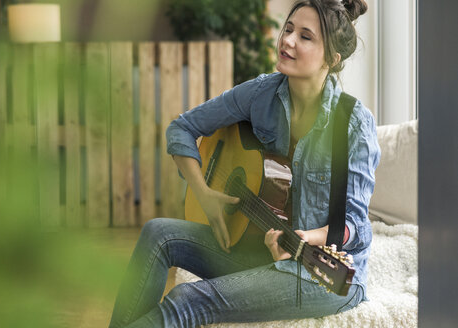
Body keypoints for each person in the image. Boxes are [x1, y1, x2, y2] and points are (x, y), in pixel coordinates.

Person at [108, 0, 380, 327]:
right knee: (158, 234)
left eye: (306, 37)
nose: (288, 40)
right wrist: (205, 195)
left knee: (186, 299)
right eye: (289, 29)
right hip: (257, 245)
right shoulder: (262, 93)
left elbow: (357, 225)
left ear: (332, 60)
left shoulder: (353, 123)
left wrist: (309, 238)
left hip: (320, 272)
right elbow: (182, 127)